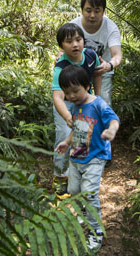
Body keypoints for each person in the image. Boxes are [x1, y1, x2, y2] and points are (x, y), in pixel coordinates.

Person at [54, 65, 120, 252]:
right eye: (67, 93)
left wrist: (111, 130)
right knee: (74, 191)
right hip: (77, 157)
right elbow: (77, 128)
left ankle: (96, 232)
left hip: (95, 157)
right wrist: (67, 143)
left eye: (75, 90)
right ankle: (85, 212)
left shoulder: (98, 104)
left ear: (87, 85)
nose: (72, 96)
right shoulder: (75, 107)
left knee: (89, 194)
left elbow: (114, 119)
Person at [51, 23, 101, 199]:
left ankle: (78, 177)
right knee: (64, 136)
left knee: (81, 139)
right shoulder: (61, 66)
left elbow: (96, 75)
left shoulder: (90, 55)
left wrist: (98, 99)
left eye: (78, 40)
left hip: (84, 102)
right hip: (65, 104)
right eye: (69, 41)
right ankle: (60, 177)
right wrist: (66, 117)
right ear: (61, 46)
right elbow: (57, 97)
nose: (75, 45)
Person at [70, 0, 122, 106]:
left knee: (103, 103)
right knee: (77, 102)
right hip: (79, 70)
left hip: (103, 70)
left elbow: (117, 55)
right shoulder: (73, 26)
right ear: (82, 10)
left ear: (103, 11)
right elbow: (63, 50)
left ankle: (104, 123)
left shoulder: (111, 28)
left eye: (97, 11)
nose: (92, 15)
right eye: (88, 10)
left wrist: (109, 65)